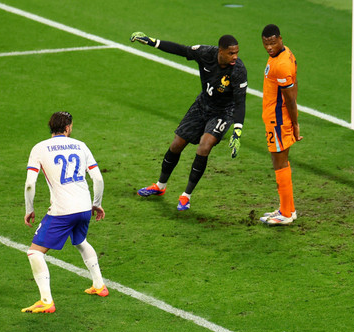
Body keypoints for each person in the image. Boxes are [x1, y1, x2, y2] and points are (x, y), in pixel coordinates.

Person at [130, 32, 248, 211]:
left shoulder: (238, 70)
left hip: (223, 113)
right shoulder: (206, 53)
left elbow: (240, 103)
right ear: (221, 52)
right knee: (177, 143)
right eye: (231, 53)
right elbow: (181, 50)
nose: (235, 57)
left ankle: (186, 196)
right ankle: (160, 186)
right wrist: (153, 42)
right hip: (202, 105)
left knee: (204, 145)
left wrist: (237, 130)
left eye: (237, 52)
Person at [22, 112, 108, 314]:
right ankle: (99, 285)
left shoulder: (39, 148)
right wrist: (96, 204)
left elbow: (29, 184)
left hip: (62, 211)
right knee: (80, 241)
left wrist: (30, 209)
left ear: (51, 127)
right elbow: (98, 179)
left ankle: (46, 301)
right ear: (68, 128)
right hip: (84, 207)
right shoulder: (81, 145)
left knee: (34, 252)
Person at [258, 24, 303, 225]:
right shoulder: (283, 55)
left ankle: (285, 214)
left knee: (279, 162)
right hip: (277, 117)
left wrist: (294, 123)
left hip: (279, 119)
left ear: (280, 39)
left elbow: (290, 98)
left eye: (273, 42)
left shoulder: (281, 65)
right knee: (281, 161)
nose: (269, 47)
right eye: (266, 43)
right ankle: (288, 209)